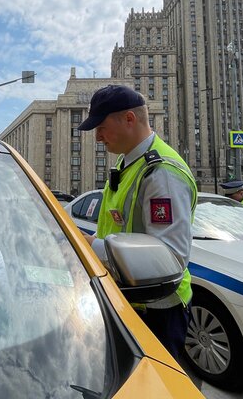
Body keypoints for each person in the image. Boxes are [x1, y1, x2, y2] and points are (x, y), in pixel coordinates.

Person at [78, 85, 196, 362]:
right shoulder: (128, 163)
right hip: (129, 300)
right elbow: (115, 230)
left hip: (156, 311)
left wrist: (91, 246)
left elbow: (170, 257)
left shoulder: (161, 173)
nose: (97, 137)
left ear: (129, 119)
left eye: (101, 127)